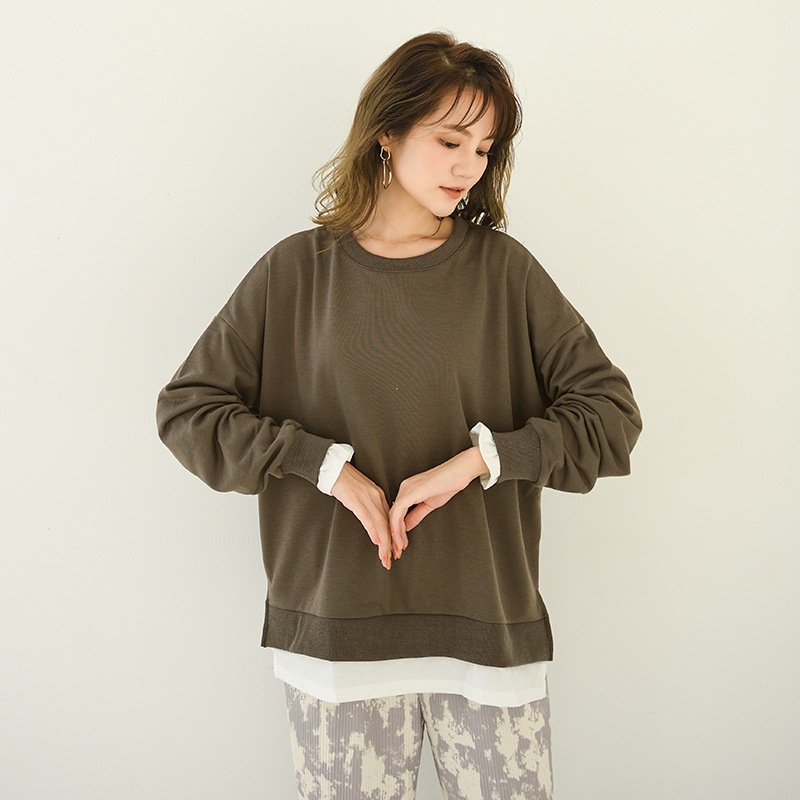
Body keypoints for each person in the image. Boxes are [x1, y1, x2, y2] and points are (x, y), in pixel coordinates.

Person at [157, 31, 641, 800]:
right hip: (336, 634)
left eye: (484, 148)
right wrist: (325, 468)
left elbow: (609, 416)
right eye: (450, 140)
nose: (468, 166)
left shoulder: (503, 273)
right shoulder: (296, 272)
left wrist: (479, 462)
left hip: (486, 634)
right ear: (387, 132)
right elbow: (188, 410)